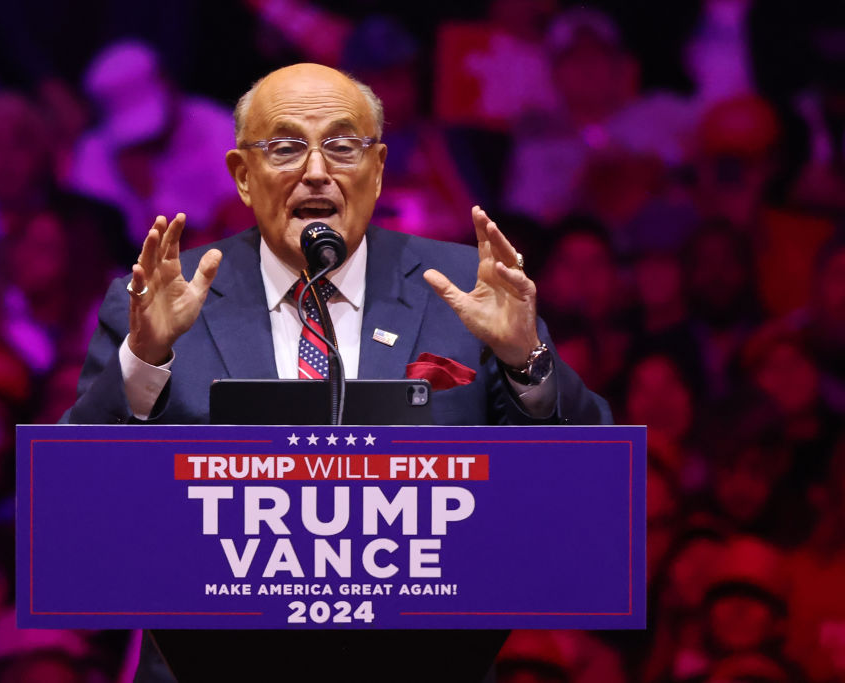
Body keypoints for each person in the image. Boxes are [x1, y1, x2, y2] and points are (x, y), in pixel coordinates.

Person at [65, 63, 611, 683]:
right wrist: (144, 361)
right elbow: (80, 517)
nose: (317, 170)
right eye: (287, 146)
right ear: (243, 177)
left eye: (342, 146)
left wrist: (524, 361)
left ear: (377, 170)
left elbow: (582, 496)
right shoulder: (161, 302)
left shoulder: (467, 292)